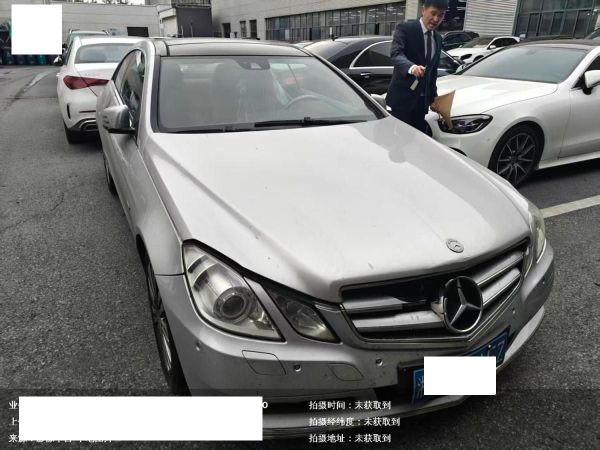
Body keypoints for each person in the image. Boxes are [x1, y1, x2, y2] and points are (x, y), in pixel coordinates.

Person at [386, 0, 448, 133]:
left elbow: (432, 72)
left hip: (422, 103)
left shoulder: (438, 38)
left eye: (441, 15)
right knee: (399, 140)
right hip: (402, 100)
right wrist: (412, 67)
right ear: (423, 10)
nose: (436, 19)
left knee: (417, 138)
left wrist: (434, 99)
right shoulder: (405, 28)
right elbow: (396, 54)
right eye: (433, 13)